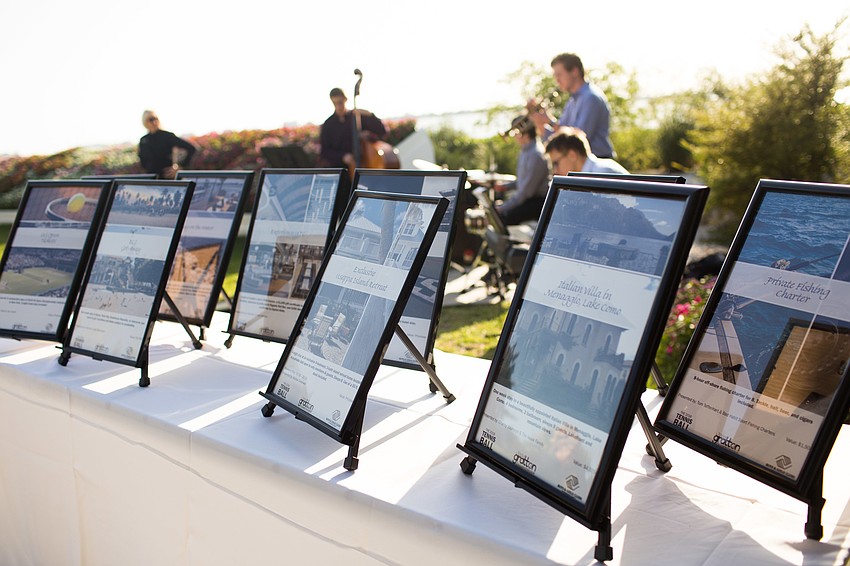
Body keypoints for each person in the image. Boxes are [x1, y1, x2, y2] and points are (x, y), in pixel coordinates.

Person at [527, 53, 615, 158]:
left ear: (574, 71)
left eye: (559, 75)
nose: (557, 80)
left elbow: (578, 139)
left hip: (597, 163)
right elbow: (558, 138)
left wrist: (549, 121)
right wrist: (540, 123)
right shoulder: (573, 101)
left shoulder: (591, 97)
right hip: (580, 164)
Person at [495, 115, 551, 225]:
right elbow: (522, 181)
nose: (514, 137)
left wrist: (503, 208)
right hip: (528, 198)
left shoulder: (536, 154)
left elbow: (526, 192)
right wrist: (506, 186)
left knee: (505, 217)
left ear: (523, 134)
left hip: (538, 202)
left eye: (515, 133)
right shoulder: (525, 151)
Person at [319, 87, 387, 169]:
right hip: (342, 171)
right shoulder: (328, 124)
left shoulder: (358, 117)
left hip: (366, 165)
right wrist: (342, 156)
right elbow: (325, 151)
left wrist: (370, 115)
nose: (338, 107)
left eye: (340, 102)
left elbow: (382, 131)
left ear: (345, 99)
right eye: (335, 103)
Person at [138, 110, 197, 179]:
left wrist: (180, 167)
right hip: (152, 180)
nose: (154, 122)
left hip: (168, 178)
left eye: (155, 118)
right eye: (151, 119)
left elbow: (191, 148)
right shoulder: (144, 140)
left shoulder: (167, 136)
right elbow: (143, 161)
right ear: (145, 122)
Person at [545, 128, 628, 176]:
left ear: (572, 155)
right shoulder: (591, 174)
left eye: (556, 163)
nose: (555, 171)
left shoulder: (601, 173)